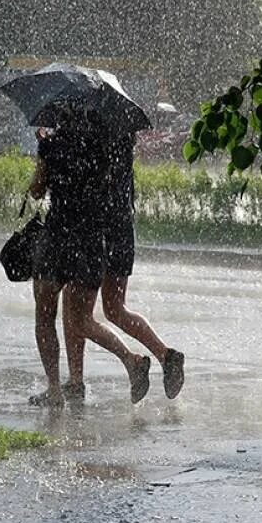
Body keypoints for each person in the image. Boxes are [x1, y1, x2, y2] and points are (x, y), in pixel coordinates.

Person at [27, 111, 151, 408]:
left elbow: (36, 190)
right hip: (92, 241)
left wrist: (45, 147)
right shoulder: (105, 147)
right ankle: (129, 361)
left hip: (58, 236)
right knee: (82, 318)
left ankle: (55, 389)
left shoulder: (53, 145)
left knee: (45, 314)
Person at [95, 133, 185, 400]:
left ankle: (132, 362)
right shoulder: (122, 140)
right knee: (114, 308)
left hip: (100, 229)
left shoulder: (95, 139)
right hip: (123, 228)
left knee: (79, 313)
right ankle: (165, 355)